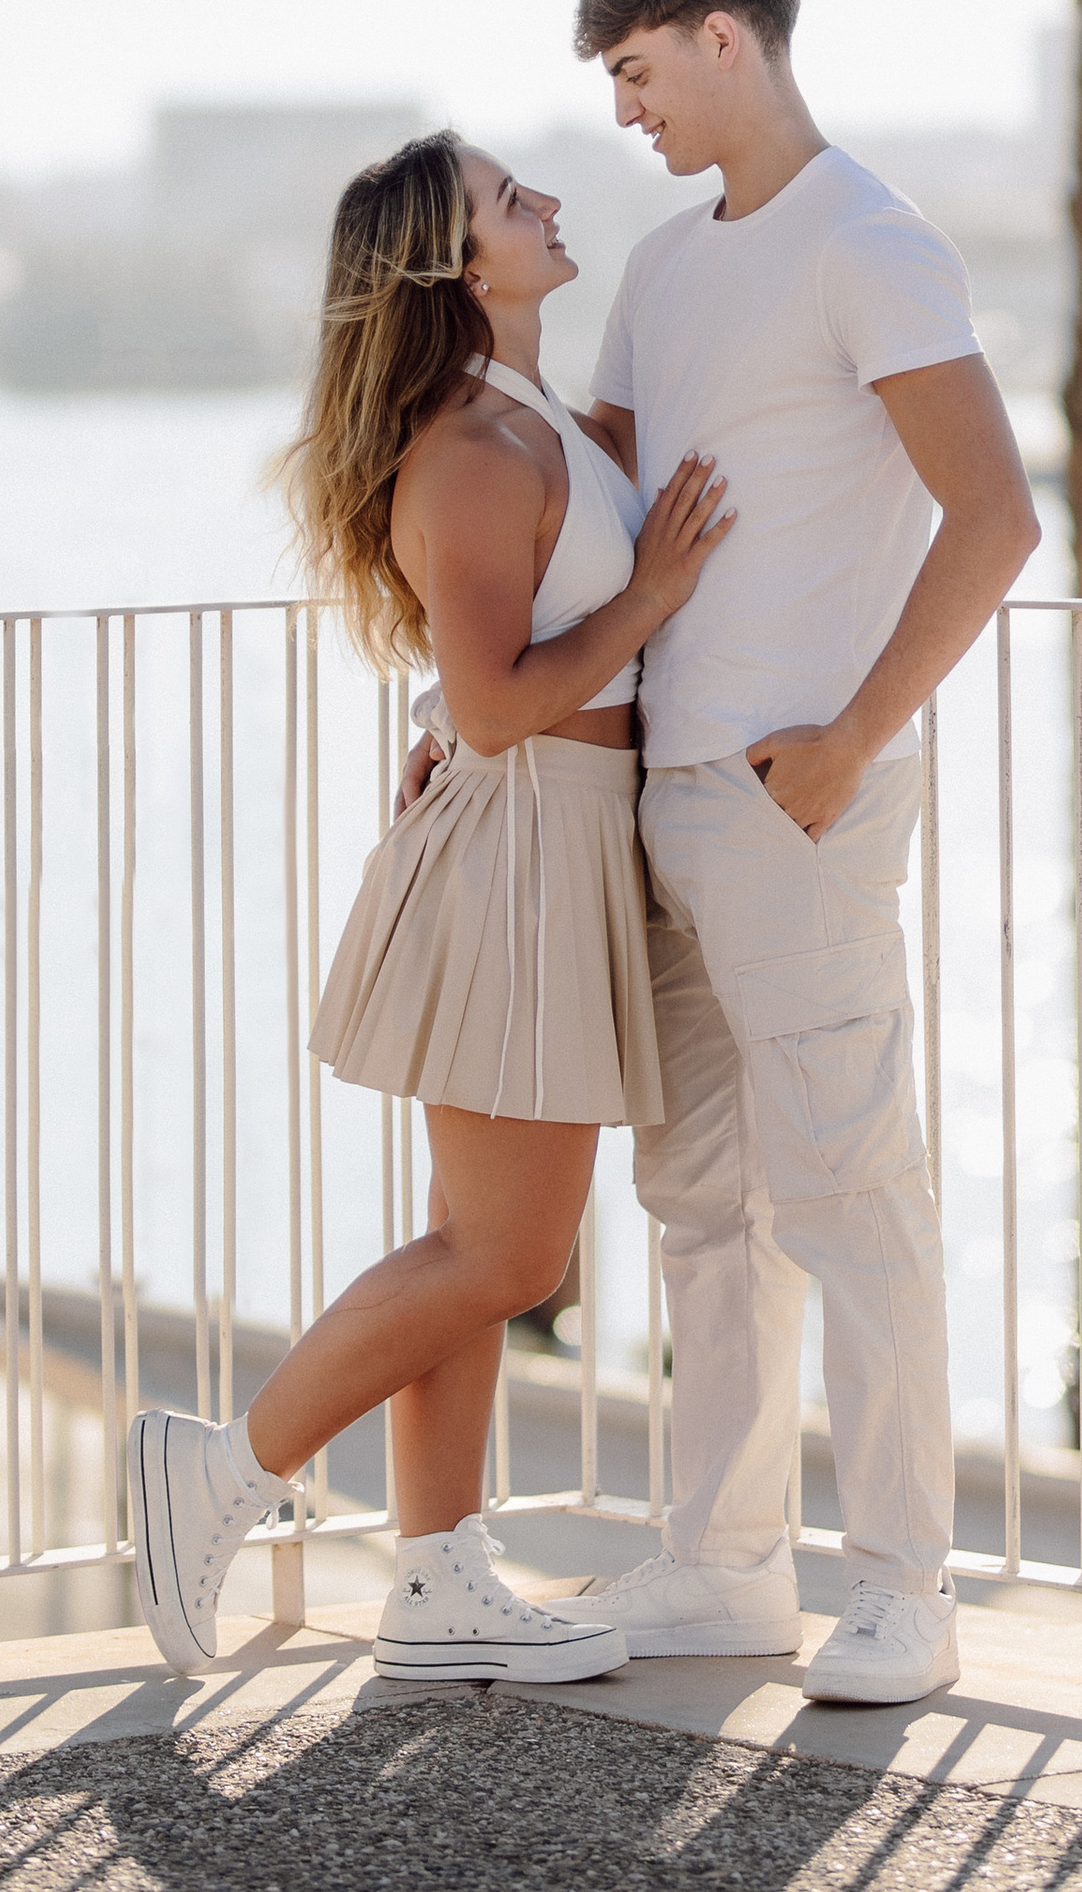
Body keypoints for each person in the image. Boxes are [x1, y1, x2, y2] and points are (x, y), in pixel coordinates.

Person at [127, 125, 734, 1684]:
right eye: (502, 199)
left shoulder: (536, 417)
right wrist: (653, 599)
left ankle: (436, 1581)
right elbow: (489, 706)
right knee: (511, 1262)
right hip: (523, 849)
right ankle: (226, 1471)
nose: (541, 198)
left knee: (472, 1239)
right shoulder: (472, 448)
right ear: (462, 267)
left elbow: (478, 683)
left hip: (558, 842)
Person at [550, 0, 1038, 1704]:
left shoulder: (873, 245)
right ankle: (723, 1566)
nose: (627, 113)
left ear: (725, 39)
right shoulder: (666, 268)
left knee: (852, 1194)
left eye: (639, 70)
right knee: (699, 1205)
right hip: (660, 791)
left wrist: (845, 744)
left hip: (792, 802)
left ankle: (906, 1585)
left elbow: (994, 521)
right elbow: (598, 515)